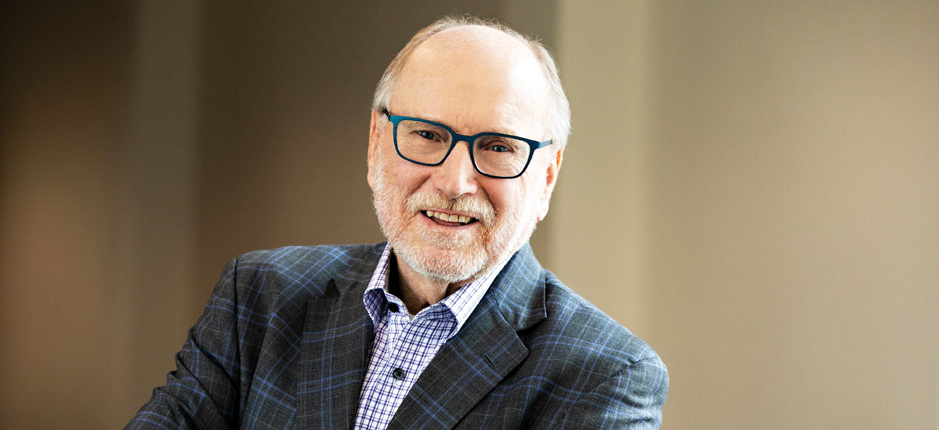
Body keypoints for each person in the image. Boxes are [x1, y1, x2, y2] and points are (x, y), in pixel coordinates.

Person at [127, 16, 667, 430]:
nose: (455, 182)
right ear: (375, 144)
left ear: (547, 177)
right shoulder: (259, 296)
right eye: (428, 135)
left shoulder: (606, 375)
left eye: (498, 146)